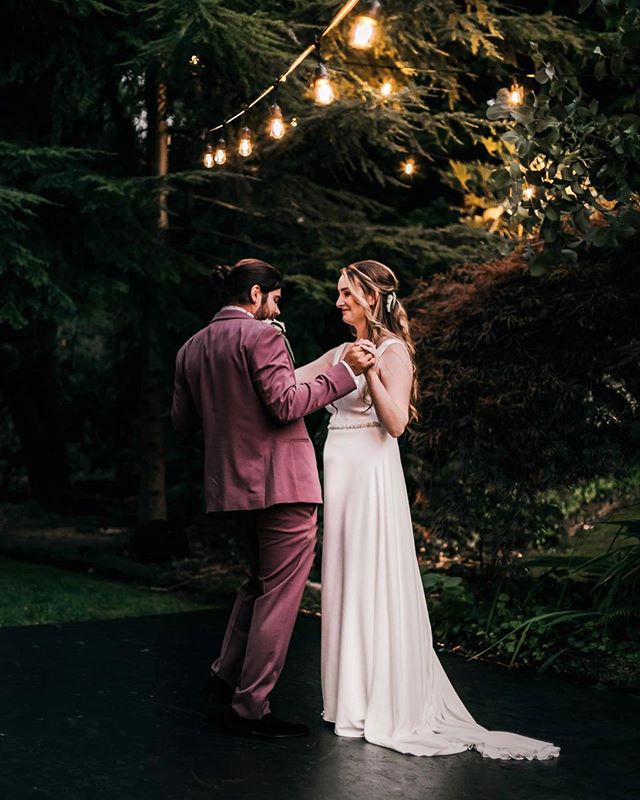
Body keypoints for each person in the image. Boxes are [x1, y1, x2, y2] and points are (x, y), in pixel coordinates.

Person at [295, 259, 560, 759]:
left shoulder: (394, 351)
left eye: (347, 294)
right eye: (338, 293)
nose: (338, 302)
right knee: (346, 577)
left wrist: (368, 374)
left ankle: (379, 700)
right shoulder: (339, 350)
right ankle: (348, 700)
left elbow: (395, 424)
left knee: (372, 577)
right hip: (341, 474)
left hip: (372, 475)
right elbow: (291, 382)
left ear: (371, 298)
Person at [170, 258, 375, 739]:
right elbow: (286, 404)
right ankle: (251, 707)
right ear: (257, 293)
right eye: (275, 300)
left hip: (230, 489)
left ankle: (223, 677)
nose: (275, 311)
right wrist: (342, 373)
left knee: (258, 583)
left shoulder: (190, 349)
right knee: (280, 597)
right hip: (283, 485)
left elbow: (183, 423)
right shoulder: (263, 337)